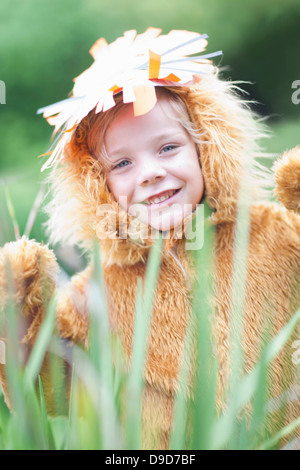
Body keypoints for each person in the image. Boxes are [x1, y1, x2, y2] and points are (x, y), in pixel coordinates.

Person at [0, 28, 300, 449]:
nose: (149, 172)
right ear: (96, 183)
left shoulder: (275, 233)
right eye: (122, 162)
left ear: (206, 147)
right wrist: (21, 321)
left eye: (167, 148)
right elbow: (49, 390)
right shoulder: (96, 297)